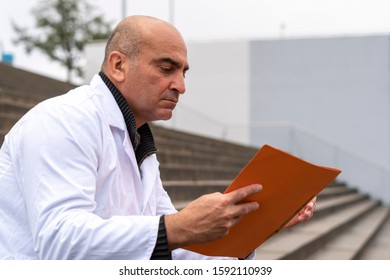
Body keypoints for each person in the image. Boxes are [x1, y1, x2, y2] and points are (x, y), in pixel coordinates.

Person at [0, 15, 316, 260]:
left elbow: (173, 249)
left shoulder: (138, 142)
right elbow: (60, 242)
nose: (180, 85)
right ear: (118, 65)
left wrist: (255, 226)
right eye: (167, 68)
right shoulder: (63, 120)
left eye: (183, 72)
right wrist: (177, 226)